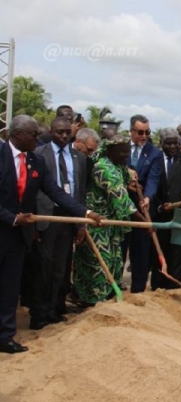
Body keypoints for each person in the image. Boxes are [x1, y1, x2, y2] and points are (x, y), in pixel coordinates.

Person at [0, 115, 102, 354]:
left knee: (9, 286)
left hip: (18, 237)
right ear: (18, 135)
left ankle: (5, 336)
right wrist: (12, 218)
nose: (39, 138)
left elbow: (56, 192)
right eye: (33, 134)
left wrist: (86, 213)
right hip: (4, 227)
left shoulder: (35, 161)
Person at [27, 117, 90, 330]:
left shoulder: (78, 157)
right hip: (46, 217)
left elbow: (79, 191)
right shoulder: (38, 154)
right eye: (59, 132)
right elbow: (32, 191)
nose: (63, 136)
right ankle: (39, 314)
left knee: (60, 268)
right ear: (52, 132)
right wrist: (32, 224)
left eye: (66, 132)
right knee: (42, 267)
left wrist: (82, 224)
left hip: (69, 216)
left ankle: (54, 309)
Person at [73, 136, 146, 305]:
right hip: (96, 223)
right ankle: (92, 301)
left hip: (110, 224)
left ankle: (107, 297)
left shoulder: (118, 165)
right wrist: (145, 224)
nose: (126, 155)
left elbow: (124, 184)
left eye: (128, 151)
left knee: (114, 261)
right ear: (111, 151)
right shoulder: (105, 169)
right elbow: (123, 201)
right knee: (98, 263)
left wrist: (131, 181)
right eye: (123, 152)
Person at [153, 129, 181, 289]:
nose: (172, 146)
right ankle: (158, 287)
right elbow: (152, 184)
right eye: (169, 143)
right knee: (160, 251)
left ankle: (174, 287)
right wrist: (160, 204)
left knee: (179, 253)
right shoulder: (155, 158)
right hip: (161, 214)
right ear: (161, 144)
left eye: (176, 143)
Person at [123, 114, 162, 293]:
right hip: (121, 207)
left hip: (142, 207)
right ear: (131, 131)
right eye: (140, 132)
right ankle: (113, 289)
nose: (144, 136)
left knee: (141, 251)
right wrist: (126, 177)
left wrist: (148, 197)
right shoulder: (120, 148)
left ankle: (137, 290)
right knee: (120, 249)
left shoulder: (154, 153)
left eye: (147, 132)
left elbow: (154, 179)